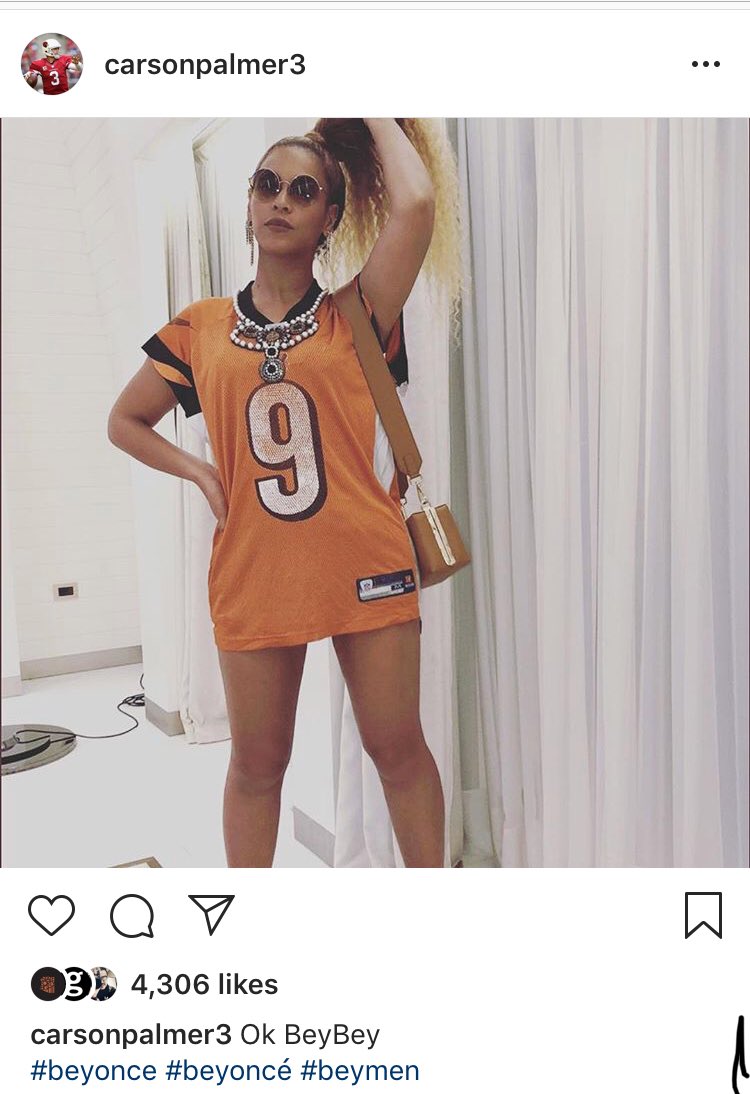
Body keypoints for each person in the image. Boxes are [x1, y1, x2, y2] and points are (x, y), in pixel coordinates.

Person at [108, 119, 460, 868]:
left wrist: (370, 104)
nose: (281, 201)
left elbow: (416, 203)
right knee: (256, 767)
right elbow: (125, 421)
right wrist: (201, 472)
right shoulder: (199, 328)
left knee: (398, 750)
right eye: (267, 185)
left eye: (304, 191)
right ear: (248, 202)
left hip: (365, 560)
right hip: (254, 569)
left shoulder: (357, 312)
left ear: (329, 216)